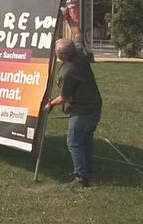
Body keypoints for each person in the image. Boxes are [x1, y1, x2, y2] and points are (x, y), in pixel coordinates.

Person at [44, 19, 103, 188]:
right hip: (95, 105)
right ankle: (87, 171)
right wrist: (69, 18)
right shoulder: (80, 53)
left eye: (56, 51)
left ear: (62, 55)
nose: (54, 53)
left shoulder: (68, 72)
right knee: (86, 140)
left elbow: (66, 98)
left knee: (74, 142)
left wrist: (51, 104)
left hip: (83, 111)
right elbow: (77, 32)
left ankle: (81, 177)